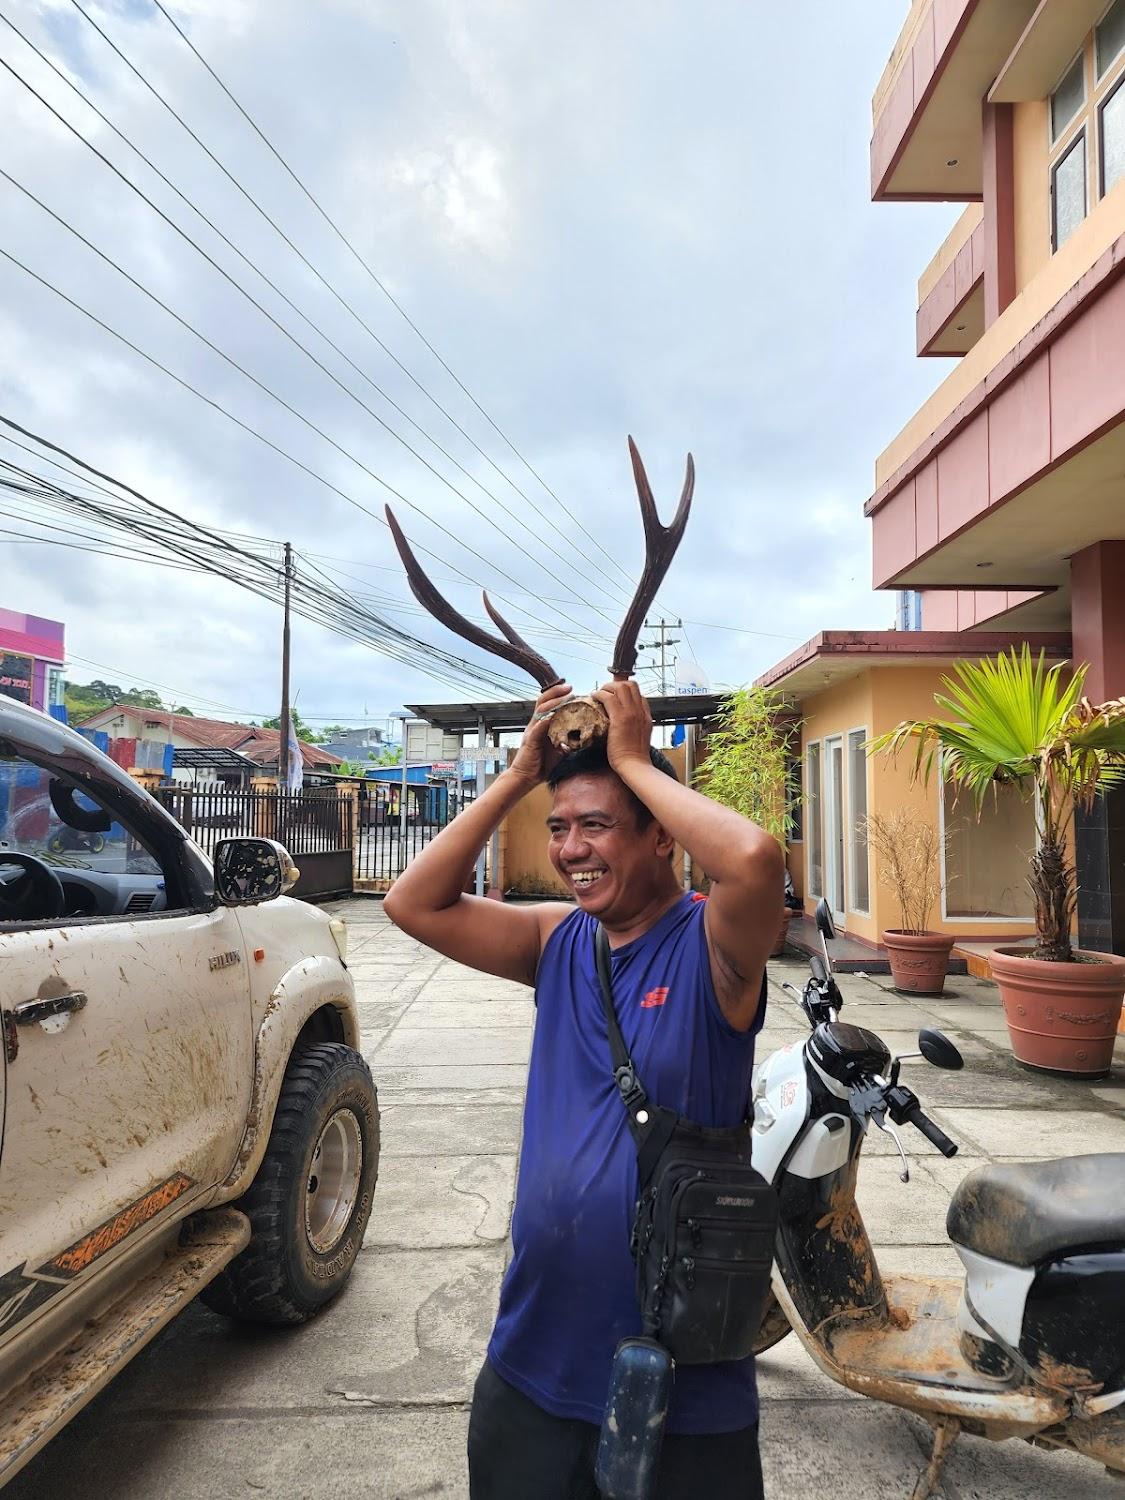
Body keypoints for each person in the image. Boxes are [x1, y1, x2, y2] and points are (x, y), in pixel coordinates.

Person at [383, 678, 782, 1500]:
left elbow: (752, 859)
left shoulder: (709, 948)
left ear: (661, 838)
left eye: (595, 825)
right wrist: (517, 776)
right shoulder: (557, 941)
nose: (570, 849)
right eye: (559, 829)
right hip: (534, 1353)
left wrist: (634, 759)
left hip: (681, 1372)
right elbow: (411, 902)